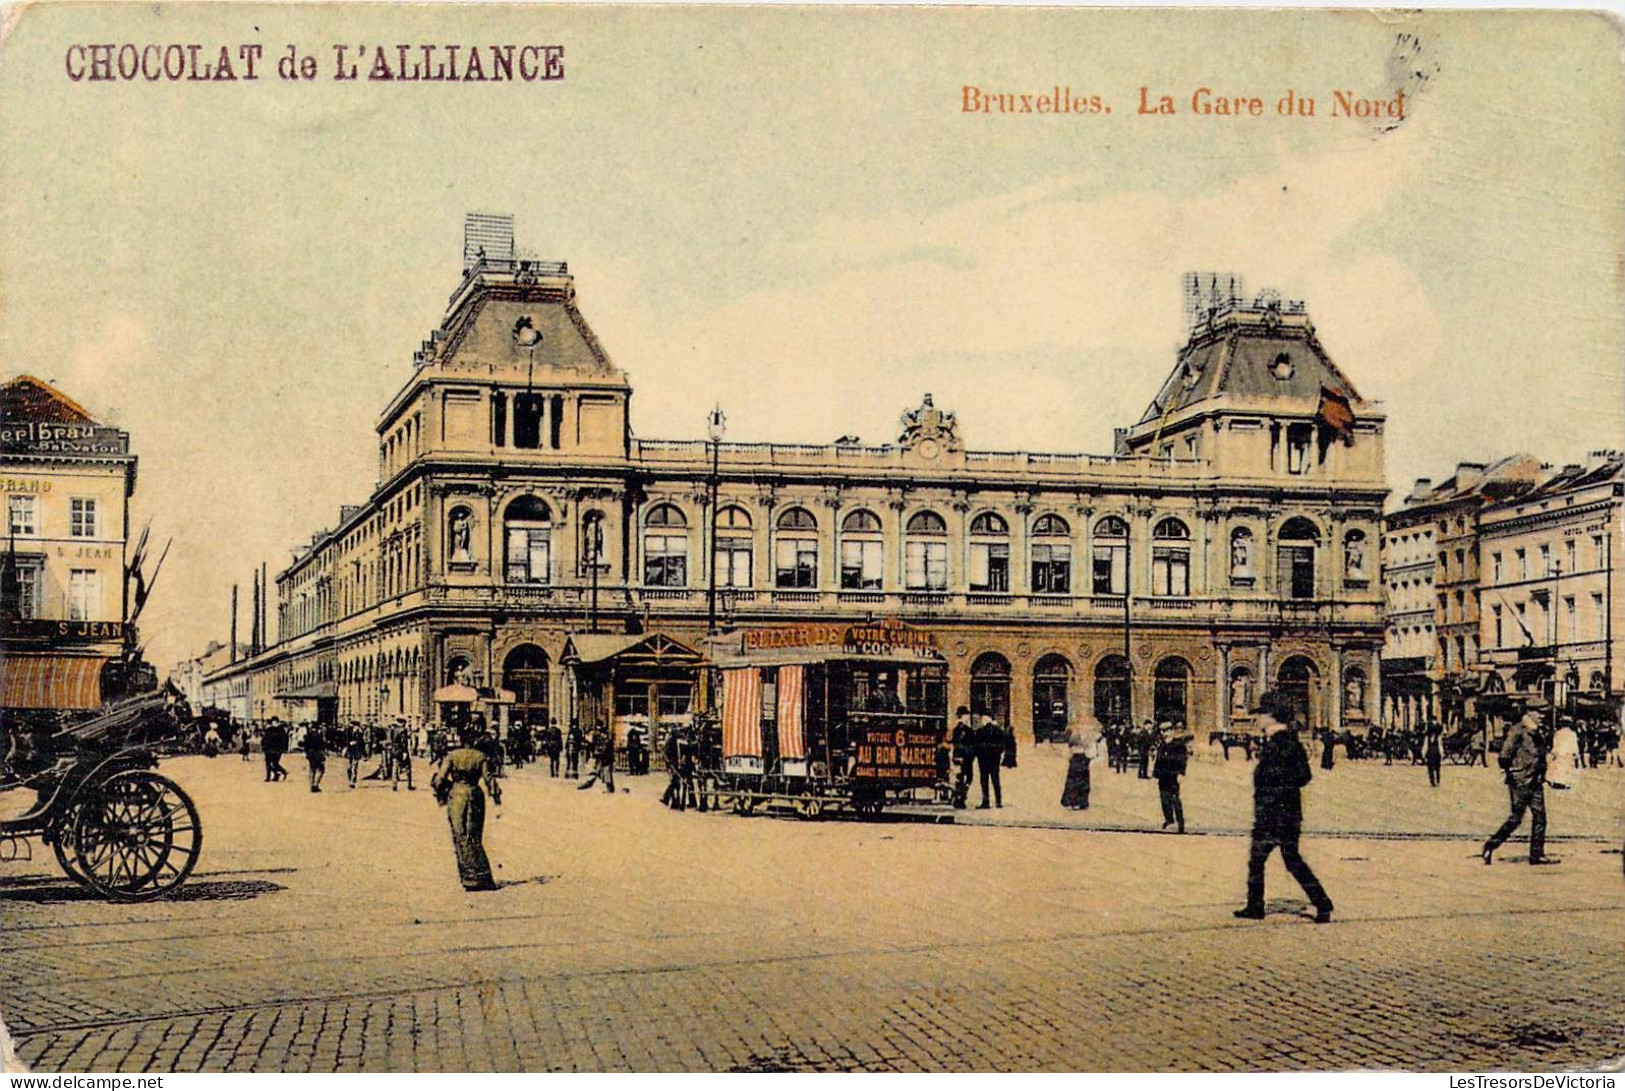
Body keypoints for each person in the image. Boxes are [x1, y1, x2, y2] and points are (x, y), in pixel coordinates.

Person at [1234, 691, 1334, 924]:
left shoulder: (1281, 744)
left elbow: (1296, 777)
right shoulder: (1290, 742)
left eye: (1261, 715)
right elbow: (1304, 776)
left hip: (1273, 815)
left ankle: (1256, 906)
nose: (1257, 719)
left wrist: (1274, 797)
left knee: (1260, 859)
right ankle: (1321, 902)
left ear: (1270, 717)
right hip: (1287, 814)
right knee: (1289, 859)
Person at [430, 723, 503, 892]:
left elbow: (440, 779)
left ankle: (469, 877)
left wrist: (440, 793)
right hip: (476, 795)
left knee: (460, 834)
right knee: (475, 835)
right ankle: (483, 877)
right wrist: (497, 801)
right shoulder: (480, 756)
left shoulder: (452, 756)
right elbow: (489, 780)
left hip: (457, 796)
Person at [1482, 708, 1556, 865]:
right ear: (1530, 713)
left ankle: (1536, 855)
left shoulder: (1538, 732)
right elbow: (1504, 755)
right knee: (1515, 819)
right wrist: (1514, 772)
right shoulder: (1517, 730)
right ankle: (1491, 845)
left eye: (1544, 713)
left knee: (1540, 818)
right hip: (1520, 781)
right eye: (1539, 713)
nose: (1542, 716)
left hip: (1535, 781)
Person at [1060, 714, 1104, 810]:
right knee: (1078, 781)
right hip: (1078, 757)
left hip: (1080, 758)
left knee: (1077, 781)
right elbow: (1076, 744)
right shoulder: (1075, 734)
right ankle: (1076, 801)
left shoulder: (1079, 733)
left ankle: (1078, 801)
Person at [1154, 729, 1189, 833]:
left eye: (1167, 731)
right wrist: (1155, 774)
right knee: (1164, 799)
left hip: (1173, 776)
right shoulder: (1162, 745)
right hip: (1163, 776)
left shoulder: (1178, 745)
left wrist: (1181, 773)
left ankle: (1180, 823)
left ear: (1172, 731)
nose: (1165, 733)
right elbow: (1158, 760)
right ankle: (1169, 820)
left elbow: (1183, 760)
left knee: (1175, 799)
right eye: (1163, 731)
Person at [974, 714, 1004, 809]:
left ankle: (985, 801)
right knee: (995, 780)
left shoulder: (980, 731)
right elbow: (1003, 744)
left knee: (984, 781)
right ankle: (998, 802)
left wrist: (978, 755)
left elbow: (976, 746)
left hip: (983, 760)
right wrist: (998, 753)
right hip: (995, 759)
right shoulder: (998, 731)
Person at [950, 707, 976, 809]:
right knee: (964, 778)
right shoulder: (961, 729)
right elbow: (958, 744)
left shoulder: (962, 729)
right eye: (966, 715)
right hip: (963, 758)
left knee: (964, 778)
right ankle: (959, 798)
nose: (968, 717)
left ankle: (960, 797)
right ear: (963, 716)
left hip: (964, 758)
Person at [262, 718, 289, 783]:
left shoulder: (281, 730)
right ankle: (269, 776)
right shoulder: (269, 730)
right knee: (268, 763)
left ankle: (281, 772)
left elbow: (284, 740)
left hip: (277, 749)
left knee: (275, 763)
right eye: (273, 722)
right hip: (268, 749)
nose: (274, 724)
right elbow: (265, 739)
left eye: (275, 722)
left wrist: (284, 748)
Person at [391, 721, 415, 792]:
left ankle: (394, 785)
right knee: (408, 767)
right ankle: (409, 785)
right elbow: (403, 741)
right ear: (403, 722)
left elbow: (393, 740)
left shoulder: (393, 730)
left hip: (395, 750)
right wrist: (405, 751)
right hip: (402, 751)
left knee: (395, 768)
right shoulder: (403, 730)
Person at [303, 723, 328, 793]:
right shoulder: (319, 736)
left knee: (312, 770)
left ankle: (312, 785)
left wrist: (307, 753)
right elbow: (323, 745)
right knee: (321, 770)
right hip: (318, 754)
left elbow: (305, 746)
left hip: (311, 755)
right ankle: (316, 784)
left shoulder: (307, 735)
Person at [344, 724, 365, 789]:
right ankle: (350, 779)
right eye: (356, 727)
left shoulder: (359, 734)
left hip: (356, 752)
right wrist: (349, 744)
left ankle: (352, 780)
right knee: (349, 767)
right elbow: (344, 741)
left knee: (355, 766)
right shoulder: (348, 733)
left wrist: (363, 755)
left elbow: (362, 744)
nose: (357, 728)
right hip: (350, 751)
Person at [1424, 722, 1443, 788]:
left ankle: (1437, 780)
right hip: (1430, 754)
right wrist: (1424, 753)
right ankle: (1432, 781)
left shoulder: (1438, 737)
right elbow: (1425, 746)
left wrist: (1441, 753)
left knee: (1437, 768)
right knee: (1430, 768)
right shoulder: (1427, 737)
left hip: (1436, 754)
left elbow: (1440, 746)